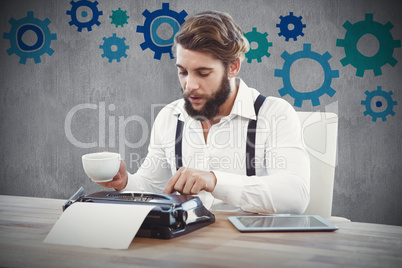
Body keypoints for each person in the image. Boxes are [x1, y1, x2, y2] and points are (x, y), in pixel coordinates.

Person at [98, 11, 310, 214]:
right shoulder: (169, 117)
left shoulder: (275, 114)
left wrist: (214, 180)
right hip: (189, 242)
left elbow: (295, 196)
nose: (189, 85)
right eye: (183, 72)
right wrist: (125, 181)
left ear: (233, 67)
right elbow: (153, 186)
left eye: (203, 73)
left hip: (251, 245)